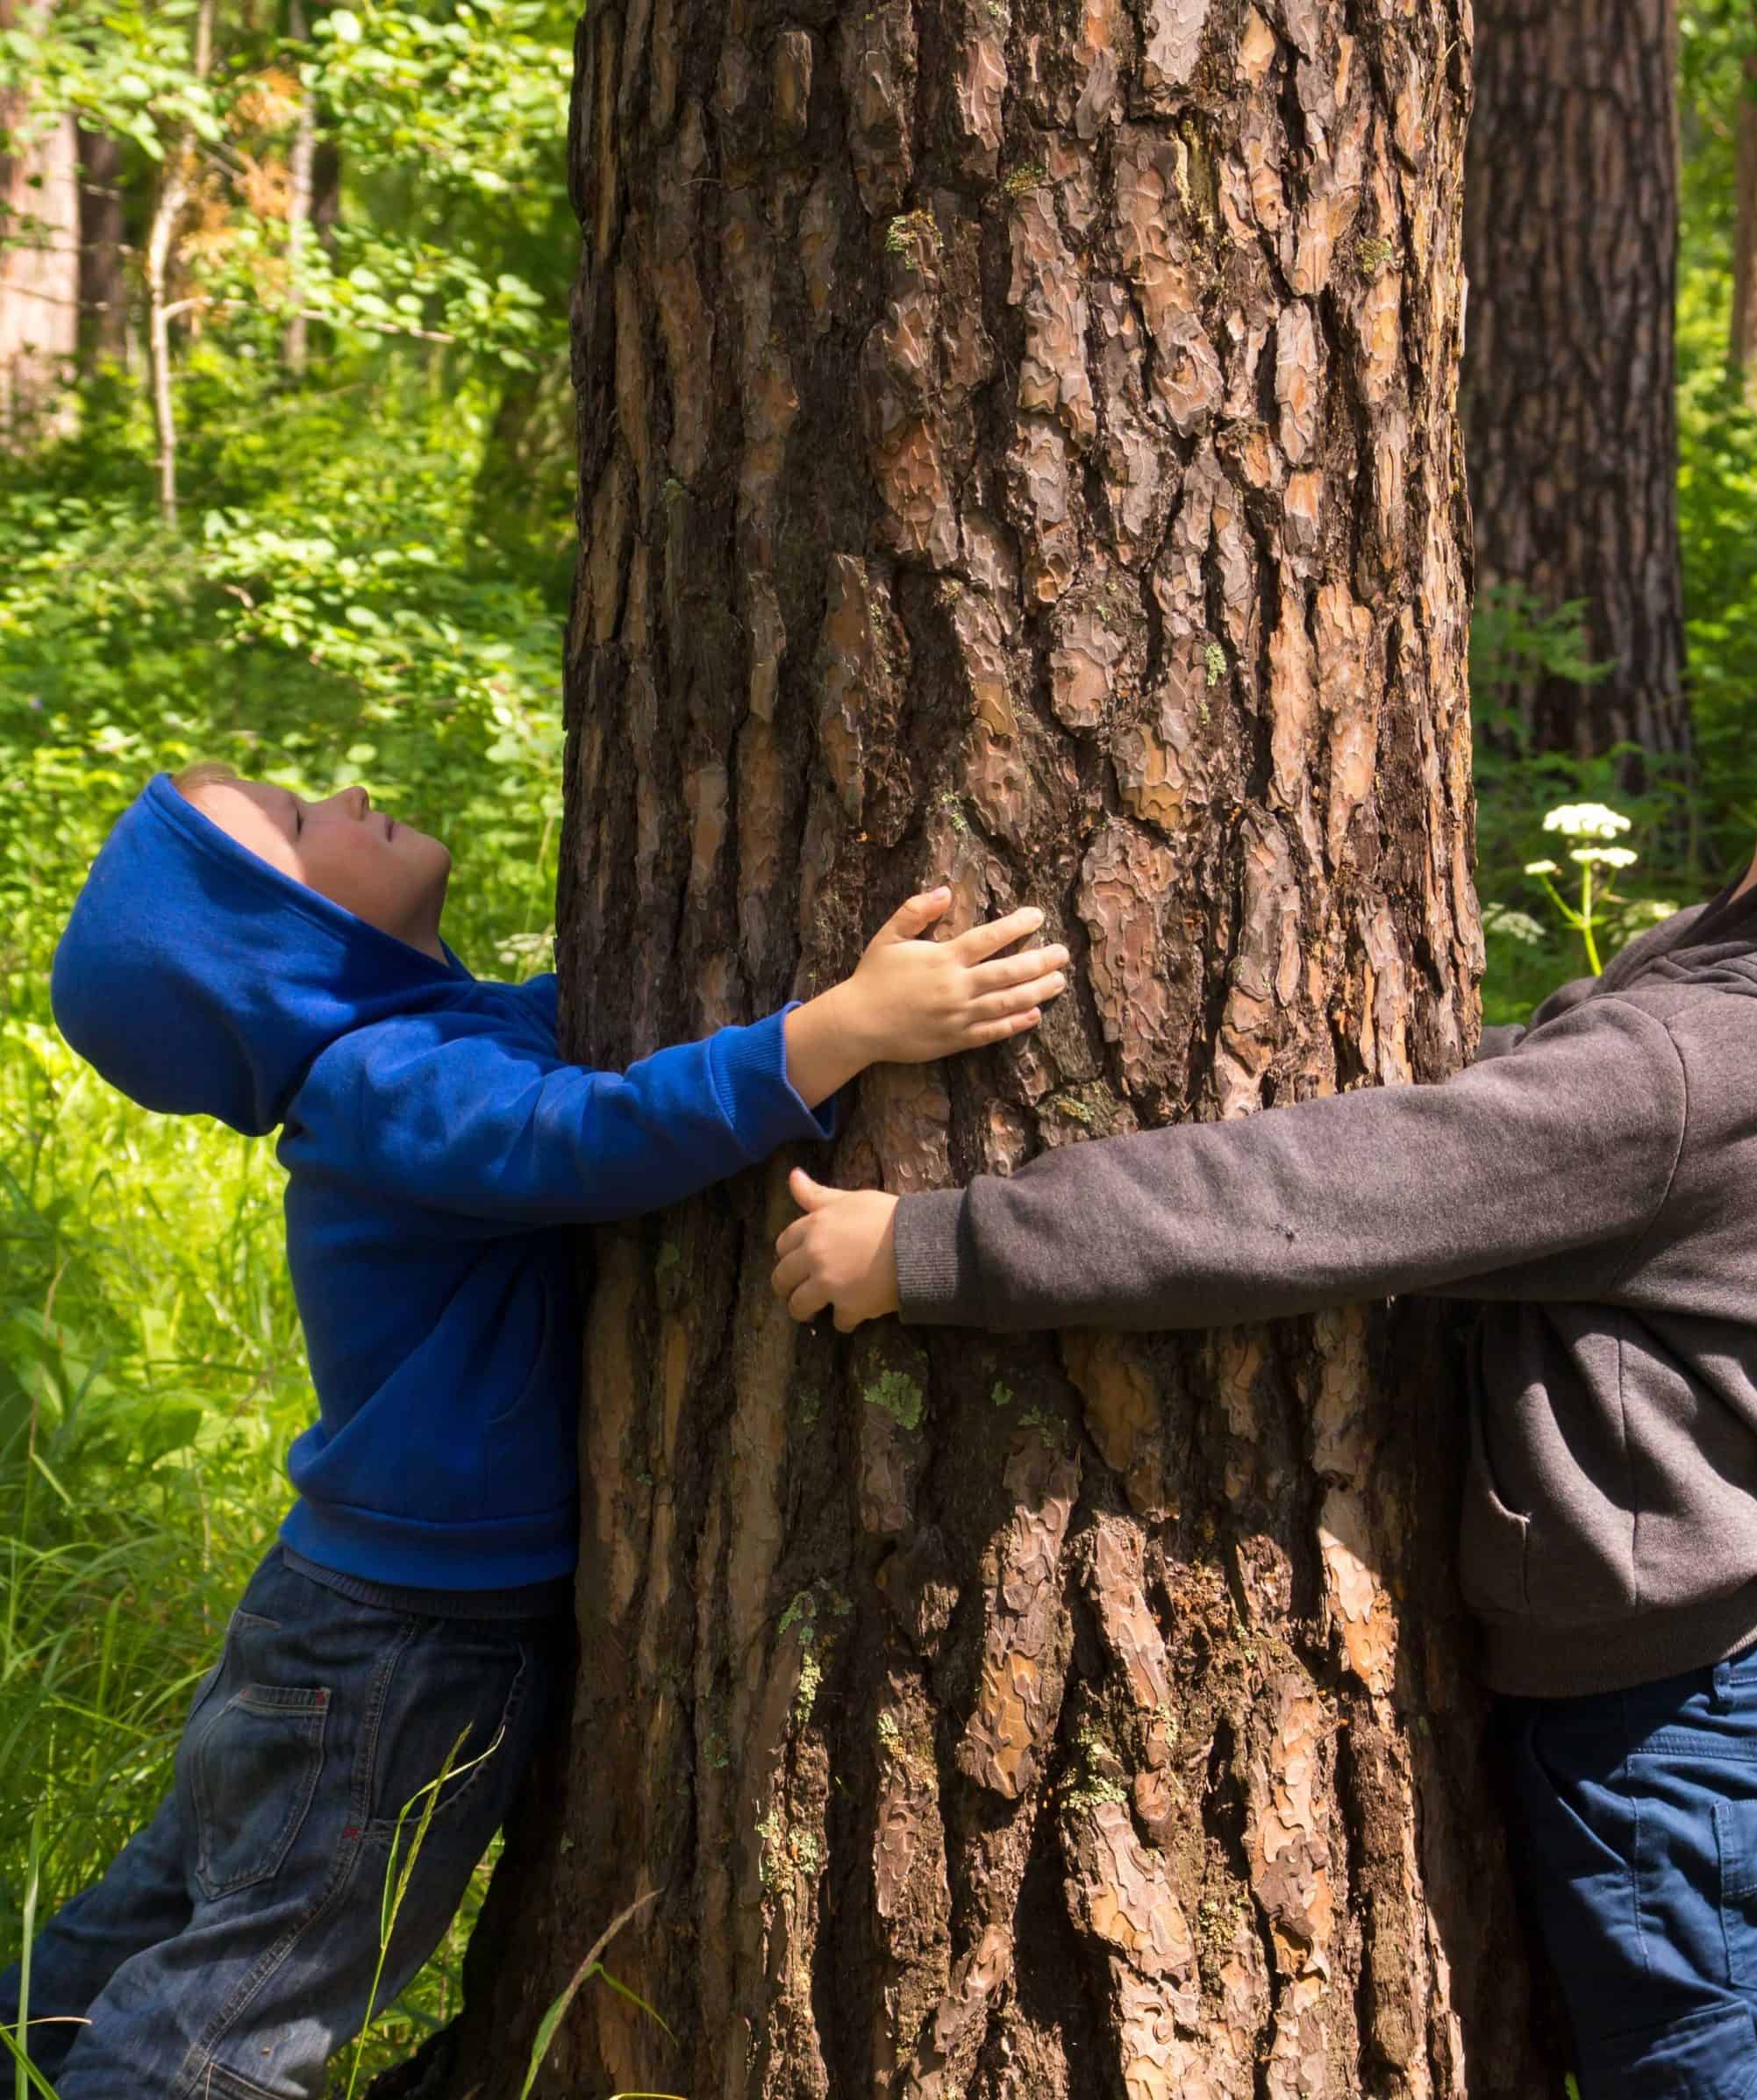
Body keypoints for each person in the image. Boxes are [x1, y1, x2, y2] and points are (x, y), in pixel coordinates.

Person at [768, 658, 1757, 2096]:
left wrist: (935, 1243)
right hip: (1729, 1703)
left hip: (1674, 1748)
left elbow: (1315, 1196)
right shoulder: (1752, 1016)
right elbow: (1484, 1130)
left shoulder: (1699, 1069)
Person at [8, 761, 1069, 2097]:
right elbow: (589, 1134)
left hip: (347, 1615)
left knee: (172, 1910)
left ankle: (32, 2037)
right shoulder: (386, 1083)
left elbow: (577, 1049)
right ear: (281, 951)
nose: (338, 790)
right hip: (400, 1643)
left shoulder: (418, 1046)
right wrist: (835, 1031)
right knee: (251, 1988)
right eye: (291, 823)